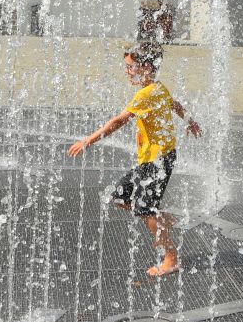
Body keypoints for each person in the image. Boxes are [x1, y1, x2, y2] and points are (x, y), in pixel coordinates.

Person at [67, 44, 202, 277]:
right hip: (152, 159)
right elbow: (175, 104)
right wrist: (189, 120)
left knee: (145, 210)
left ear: (146, 67)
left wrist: (88, 140)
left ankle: (171, 258)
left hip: (157, 160)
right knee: (119, 197)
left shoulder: (145, 94)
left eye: (130, 67)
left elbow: (119, 121)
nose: (127, 72)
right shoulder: (158, 88)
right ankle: (159, 218)